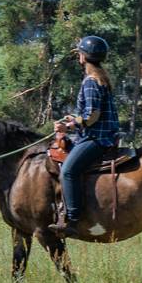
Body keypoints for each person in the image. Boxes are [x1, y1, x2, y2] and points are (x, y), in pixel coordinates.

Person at [51, 35, 120, 234]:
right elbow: (90, 112)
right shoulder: (101, 78)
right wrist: (72, 117)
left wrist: (69, 127)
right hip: (104, 135)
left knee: (68, 171)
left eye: (80, 53)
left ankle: (73, 219)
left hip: (96, 138)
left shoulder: (90, 81)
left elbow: (92, 116)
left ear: (83, 57)